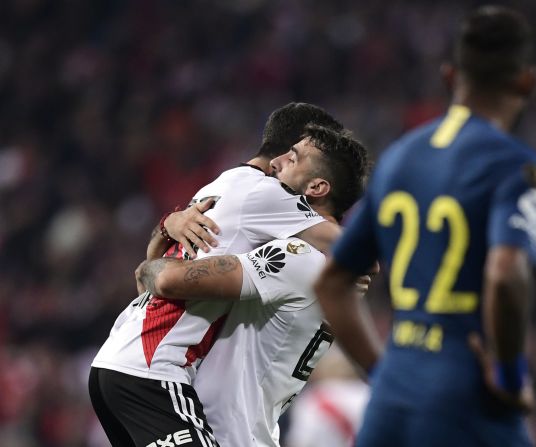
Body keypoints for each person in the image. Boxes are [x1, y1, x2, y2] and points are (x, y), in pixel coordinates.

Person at [314, 6, 536, 447]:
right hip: (466, 398)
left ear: (449, 77)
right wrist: (510, 372)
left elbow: (332, 283)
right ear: (526, 81)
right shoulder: (517, 167)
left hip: (391, 402)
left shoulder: (398, 159)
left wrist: (385, 374)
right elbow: (506, 274)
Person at [88, 103, 360, 446]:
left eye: (294, 158)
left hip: (128, 359)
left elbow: (152, 273)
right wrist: (361, 260)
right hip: (154, 368)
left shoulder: (224, 187)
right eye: (288, 154)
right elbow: (348, 242)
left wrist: (165, 228)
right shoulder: (269, 199)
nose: (279, 164)